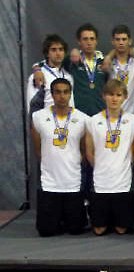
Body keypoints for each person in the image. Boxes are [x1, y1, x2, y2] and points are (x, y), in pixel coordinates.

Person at [31, 78, 88, 237]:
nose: (61, 96)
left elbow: (84, 150)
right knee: (46, 231)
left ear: (70, 94)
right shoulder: (38, 117)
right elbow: (38, 149)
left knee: (76, 230)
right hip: (50, 183)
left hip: (73, 182)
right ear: (52, 94)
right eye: (57, 92)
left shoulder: (83, 119)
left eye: (65, 92)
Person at [85, 79, 134, 235]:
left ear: (125, 97)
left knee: (122, 229)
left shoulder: (133, 121)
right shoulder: (93, 121)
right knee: (99, 230)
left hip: (123, 182)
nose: (114, 99)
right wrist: (101, 167)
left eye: (118, 95)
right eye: (110, 95)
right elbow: (89, 152)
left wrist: (125, 166)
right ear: (103, 96)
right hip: (101, 181)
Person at [27, 34, 74, 114]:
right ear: (47, 53)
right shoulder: (38, 76)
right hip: (47, 124)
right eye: (53, 50)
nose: (58, 53)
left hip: (68, 123)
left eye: (61, 49)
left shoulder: (68, 76)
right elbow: (32, 105)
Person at [108, 24, 134, 115]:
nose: (121, 42)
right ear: (112, 41)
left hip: (133, 114)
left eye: (124, 39)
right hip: (112, 114)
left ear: (130, 41)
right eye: (117, 39)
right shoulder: (108, 63)